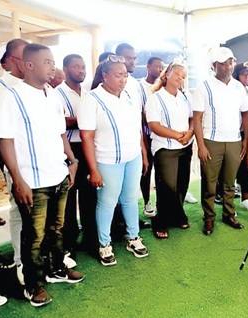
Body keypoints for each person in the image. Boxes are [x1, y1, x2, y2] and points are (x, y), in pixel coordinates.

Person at [0, 43, 85, 308]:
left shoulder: (53, 95)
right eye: (47, 62)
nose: (53, 67)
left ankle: (57, 269)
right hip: (32, 182)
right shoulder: (12, 97)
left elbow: (61, 133)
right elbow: (5, 141)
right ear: (29, 65)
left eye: (53, 61)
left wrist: (72, 160)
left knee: (56, 229)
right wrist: (17, 180)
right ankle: (32, 285)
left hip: (58, 174)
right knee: (33, 237)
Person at [78, 55, 149, 266]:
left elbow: (137, 130)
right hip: (107, 161)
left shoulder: (129, 95)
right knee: (107, 202)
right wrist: (94, 169)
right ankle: (104, 244)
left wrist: (143, 154)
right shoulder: (92, 99)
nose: (123, 79)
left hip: (132, 157)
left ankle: (133, 237)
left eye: (126, 75)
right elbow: (86, 137)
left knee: (129, 199)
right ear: (105, 75)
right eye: (118, 75)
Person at [192, 47, 248, 235]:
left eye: (230, 62)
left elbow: (246, 115)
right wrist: (201, 146)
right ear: (214, 65)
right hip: (211, 141)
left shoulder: (238, 87)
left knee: (229, 183)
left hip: (234, 142)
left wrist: (245, 141)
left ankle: (229, 215)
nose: (228, 66)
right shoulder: (204, 86)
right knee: (209, 183)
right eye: (223, 63)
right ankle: (209, 219)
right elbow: (197, 119)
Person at [55, 54, 97, 258]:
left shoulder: (89, 92)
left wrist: (77, 121)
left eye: (83, 67)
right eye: (76, 67)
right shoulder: (57, 94)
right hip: (68, 148)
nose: (81, 70)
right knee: (69, 198)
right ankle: (68, 244)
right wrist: (84, 120)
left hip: (89, 147)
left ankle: (90, 239)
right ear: (65, 69)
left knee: (90, 195)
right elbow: (60, 124)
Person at [145, 63, 194, 239]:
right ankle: (161, 222)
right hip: (165, 148)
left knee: (181, 184)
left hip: (185, 146)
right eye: (177, 74)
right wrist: (177, 135)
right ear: (167, 74)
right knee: (167, 187)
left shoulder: (186, 96)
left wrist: (189, 133)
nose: (181, 78)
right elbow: (154, 125)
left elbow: (193, 119)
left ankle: (177, 216)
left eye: (183, 76)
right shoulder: (155, 98)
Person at [0, 38, 29, 287]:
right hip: (17, 162)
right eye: (24, 58)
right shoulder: (3, 87)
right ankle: (21, 262)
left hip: (39, 164)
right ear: (10, 60)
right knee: (20, 211)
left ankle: (39, 261)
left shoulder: (30, 86)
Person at [139, 57, 165, 217]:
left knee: (162, 171)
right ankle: (147, 201)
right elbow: (140, 113)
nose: (159, 69)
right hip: (146, 135)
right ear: (148, 67)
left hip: (162, 136)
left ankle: (161, 202)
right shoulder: (139, 86)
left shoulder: (164, 88)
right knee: (146, 170)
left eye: (162, 67)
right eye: (156, 66)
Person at [232, 62, 248, 212]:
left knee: (247, 165)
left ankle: (245, 197)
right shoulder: (233, 90)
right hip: (232, 133)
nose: (247, 77)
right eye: (244, 74)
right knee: (231, 167)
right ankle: (225, 198)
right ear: (237, 75)